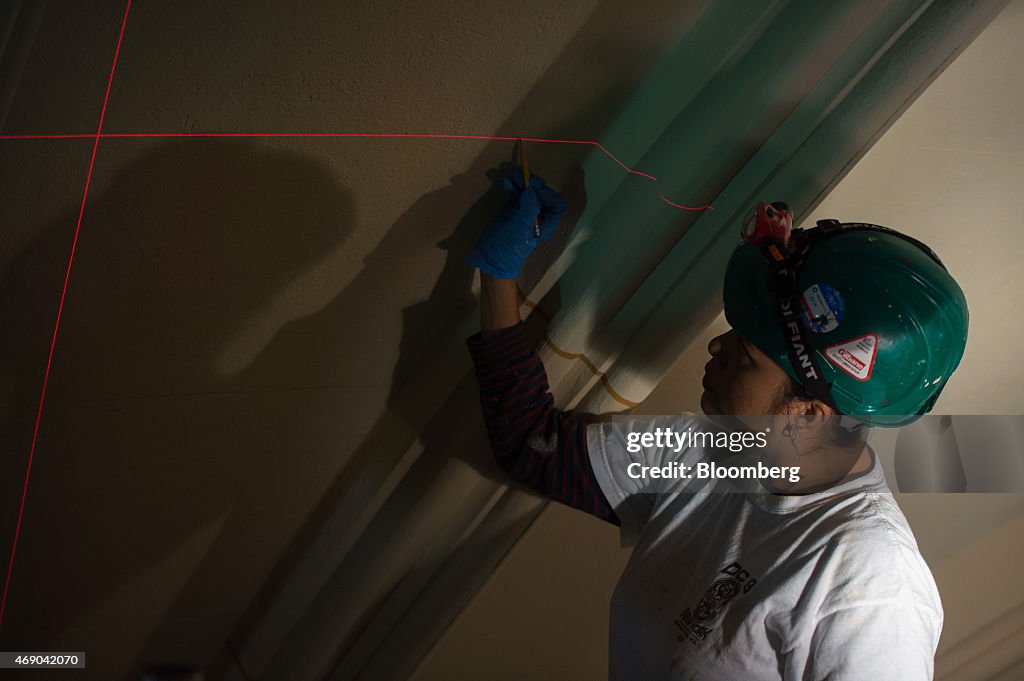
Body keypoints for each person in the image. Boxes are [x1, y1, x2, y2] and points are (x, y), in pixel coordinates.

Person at [465, 173, 969, 680]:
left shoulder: (870, 589)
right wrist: (498, 274)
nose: (717, 348)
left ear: (808, 412)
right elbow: (531, 445)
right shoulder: (710, 450)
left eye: (745, 353)